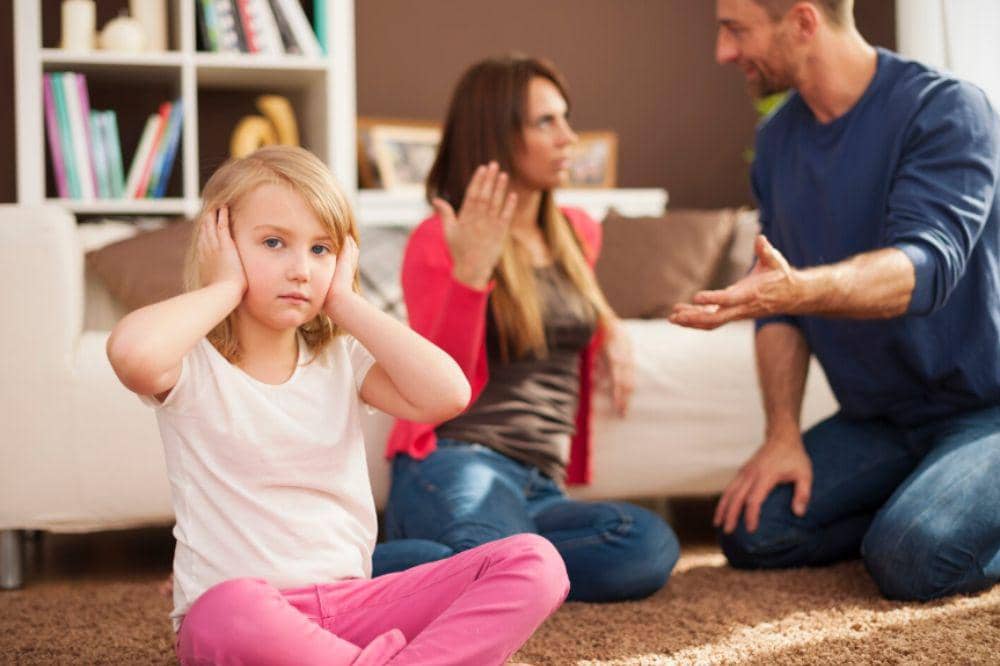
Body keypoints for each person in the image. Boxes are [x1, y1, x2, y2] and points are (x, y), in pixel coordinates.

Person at [107, 145, 568, 665]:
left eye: (320, 249)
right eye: (274, 243)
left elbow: (449, 395)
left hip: (352, 605)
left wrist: (345, 301)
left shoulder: (341, 359)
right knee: (224, 608)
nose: (301, 269)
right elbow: (131, 355)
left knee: (536, 561)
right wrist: (225, 286)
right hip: (246, 617)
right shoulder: (192, 364)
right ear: (221, 243)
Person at [671, 0, 1000, 601]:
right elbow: (780, 307)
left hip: (985, 409)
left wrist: (799, 287)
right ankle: (926, 506)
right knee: (754, 532)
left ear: (802, 22)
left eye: (736, 30)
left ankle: (924, 520)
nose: (723, 52)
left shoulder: (947, 109)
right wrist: (781, 435)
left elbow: (923, 271)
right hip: (881, 421)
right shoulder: (777, 142)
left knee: (912, 559)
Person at [379, 55, 680, 602]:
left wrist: (611, 325)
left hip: (541, 485)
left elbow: (571, 307)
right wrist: (471, 272)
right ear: (497, 134)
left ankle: (470, 567)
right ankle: (337, 571)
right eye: (547, 122)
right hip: (458, 459)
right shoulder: (437, 239)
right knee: (502, 559)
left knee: (647, 545)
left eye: (566, 118)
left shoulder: (577, 233)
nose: (569, 137)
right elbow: (436, 383)